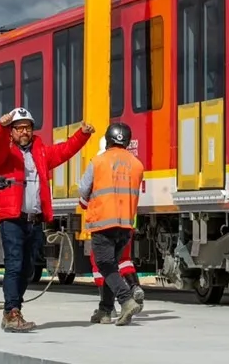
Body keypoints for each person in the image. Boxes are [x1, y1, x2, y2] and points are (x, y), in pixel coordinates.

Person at [0, 107, 93, 333]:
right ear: (12, 132)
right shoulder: (5, 155)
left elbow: (64, 151)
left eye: (27, 127)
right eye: (19, 128)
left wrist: (82, 134)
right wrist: (1, 127)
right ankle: (11, 311)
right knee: (15, 265)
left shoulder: (41, 152)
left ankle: (13, 308)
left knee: (27, 269)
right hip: (12, 218)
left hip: (34, 220)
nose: (24, 132)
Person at [79, 122, 145, 326]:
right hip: (125, 225)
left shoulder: (98, 162)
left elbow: (83, 190)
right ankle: (105, 311)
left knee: (104, 265)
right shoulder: (137, 164)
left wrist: (84, 203)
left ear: (107, 140)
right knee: (112, 266)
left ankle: (125, 300)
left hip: (102, 223)